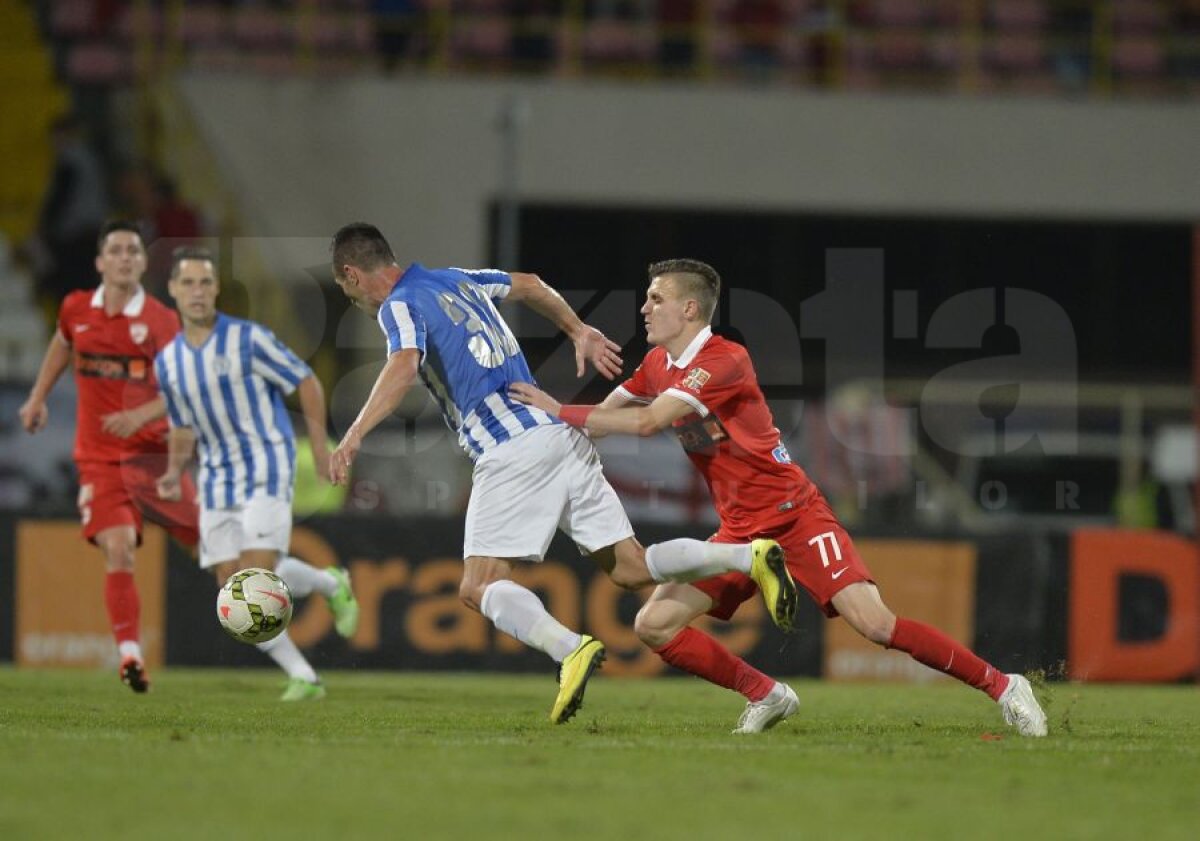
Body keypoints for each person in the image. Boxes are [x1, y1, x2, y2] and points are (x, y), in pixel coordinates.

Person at [510, 258, 1049, 737]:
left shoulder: (724, 360)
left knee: (875, 625)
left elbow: (648, 422)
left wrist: (559, 409)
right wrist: (541, 431)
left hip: (795, 518)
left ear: (689, 308)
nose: (644, 308)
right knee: (653, 626)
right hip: (740, 534)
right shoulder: (657, 365)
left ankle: (1004, 686)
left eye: (656, 298)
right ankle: (767, 695)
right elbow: (603, 419)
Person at [326, 223, 797, 724]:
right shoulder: (455, 279)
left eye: (346, 290)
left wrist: (354, 433)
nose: (355, 300)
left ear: (352, 275)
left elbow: (403, 363)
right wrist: (577, 329)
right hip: (558, 435)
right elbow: (529, 283)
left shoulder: (398, 304)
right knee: (631, 569)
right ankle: (747, 556)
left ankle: (569, 648)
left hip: (512, 447)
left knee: (476, 587)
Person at [154, 247, 359, 702]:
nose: (197, 291)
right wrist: (172, 472)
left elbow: (305, 380)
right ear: (173, 289)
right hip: (216, 478)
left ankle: (306, 672)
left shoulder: (247, 339)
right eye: (187, 283)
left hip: (266, 464)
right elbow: (182, 425)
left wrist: (320, 448)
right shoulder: (167, 361)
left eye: (205, 282)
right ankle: (327, 597)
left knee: (256, 575)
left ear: (216, 289)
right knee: (232, 588)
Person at [18, 220, 199, 694]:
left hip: (154, 457)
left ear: (142, 262)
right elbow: (63, 341)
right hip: (100, 461)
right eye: (115, 250)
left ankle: (301, 594)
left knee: (214, 552)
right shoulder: (76, 309)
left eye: (133, 251)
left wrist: (145, 420)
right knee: (118, 549)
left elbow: (184, 390)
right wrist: (37, 397)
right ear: (100, 262)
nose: (124, 258)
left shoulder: (161, 321)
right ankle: (130, 656)